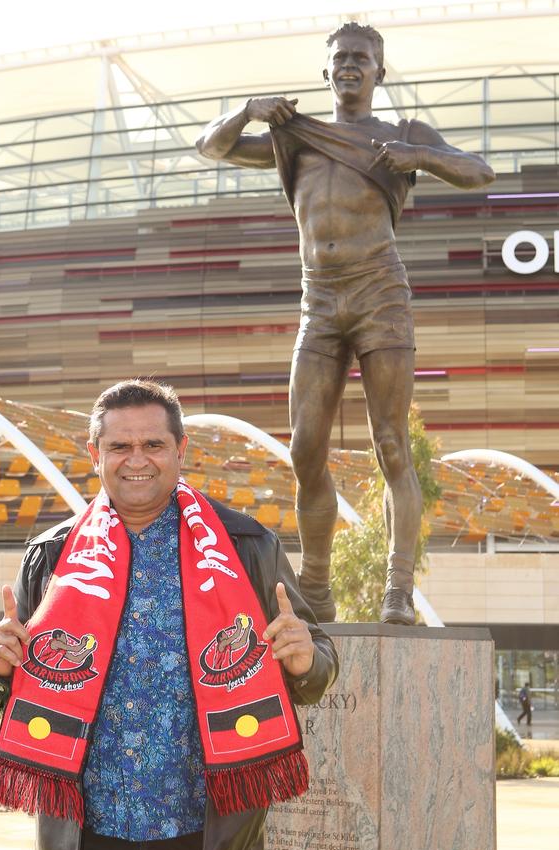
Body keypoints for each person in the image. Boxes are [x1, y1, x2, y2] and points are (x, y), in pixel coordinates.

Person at [196, 22, 495, 626]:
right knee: (304, 448)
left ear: (380, 72)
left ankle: (398, 589)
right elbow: (211, 147)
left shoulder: (402, 135)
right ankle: (317, 581)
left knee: (391, 445)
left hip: (380, 293)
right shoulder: (296, 137)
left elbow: (479, 171)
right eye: (341, 58)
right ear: (325, 71)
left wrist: (421, 158)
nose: (350, 66)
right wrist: (248, 110)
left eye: (362, 58)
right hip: (319, 302)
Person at [0, 379, 338, 850]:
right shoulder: (51, 556)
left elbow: (317, 664)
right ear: (94, 453)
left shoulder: (246, 547)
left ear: (181, 449)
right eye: (119, 446)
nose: (136, 459)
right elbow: (3, 697)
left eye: (153, 444)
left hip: (206, 837)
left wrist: (305, 660)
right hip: (87, 839)